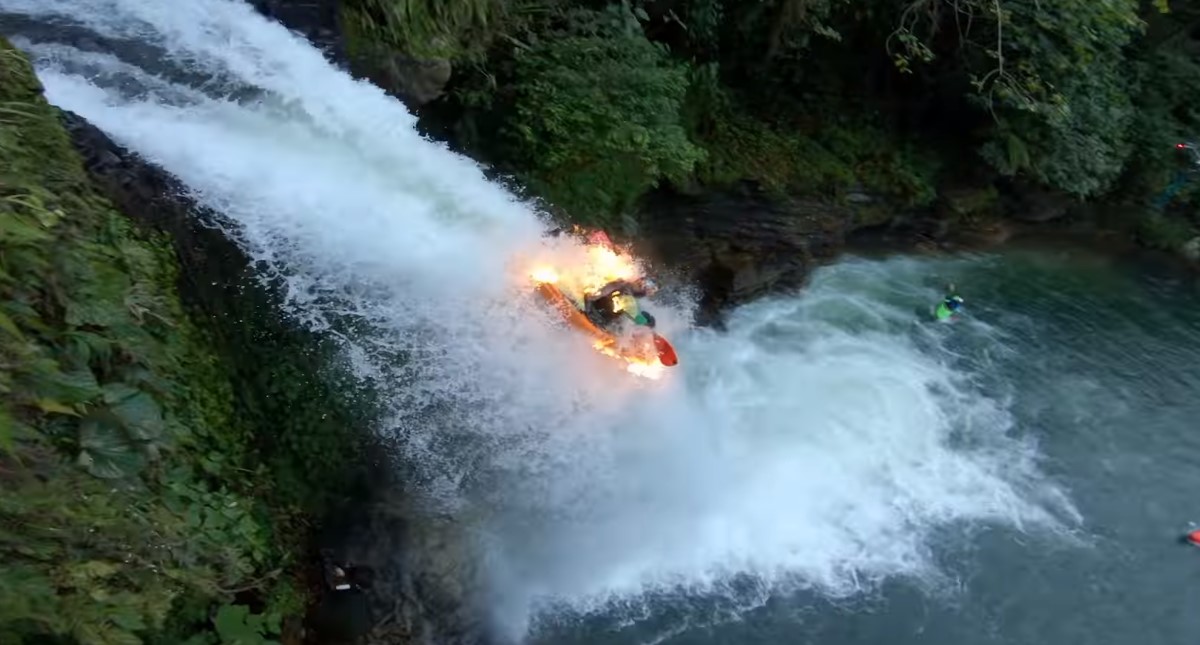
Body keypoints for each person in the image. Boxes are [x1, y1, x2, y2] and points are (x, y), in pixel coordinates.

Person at [584, 276, 659, 331]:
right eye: (648, 291)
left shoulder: (621, 283)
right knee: (624, 322)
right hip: (597, 317)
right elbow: (636, 317)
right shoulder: (628, 297)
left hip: (593, 305)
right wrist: (648, 324)